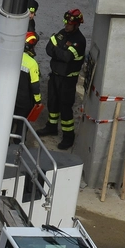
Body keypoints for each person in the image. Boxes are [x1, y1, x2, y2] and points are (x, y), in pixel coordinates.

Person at [40, 9, 86, 150]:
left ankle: (68, 137)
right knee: (52, 103)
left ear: (77, 25)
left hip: (67, 80)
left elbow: (67, 57)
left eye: (70, 24)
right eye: (66, 22)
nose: (66, 25)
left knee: (65, 108)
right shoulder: (62, 33)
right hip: (55, 76)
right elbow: (48, 48)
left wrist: (56, 50)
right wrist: (59, 51)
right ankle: (51, 127)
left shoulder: (79, 40)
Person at [15, 31, 43, 121]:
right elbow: (35, 86)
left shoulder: (12, 56)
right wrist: (38, 101)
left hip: (10, 98)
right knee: (21, 126)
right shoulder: (32, 63)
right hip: (24, 101)